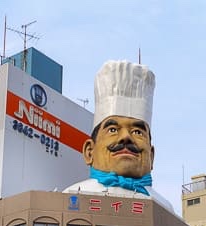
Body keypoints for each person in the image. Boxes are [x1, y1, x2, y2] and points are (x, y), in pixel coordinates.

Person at [65, 60, 173, 211]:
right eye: (113, 130)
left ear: (152, 156)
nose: (126, 137)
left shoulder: (164, 208)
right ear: (89, 151)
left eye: (137, 132)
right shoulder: (71, 197)